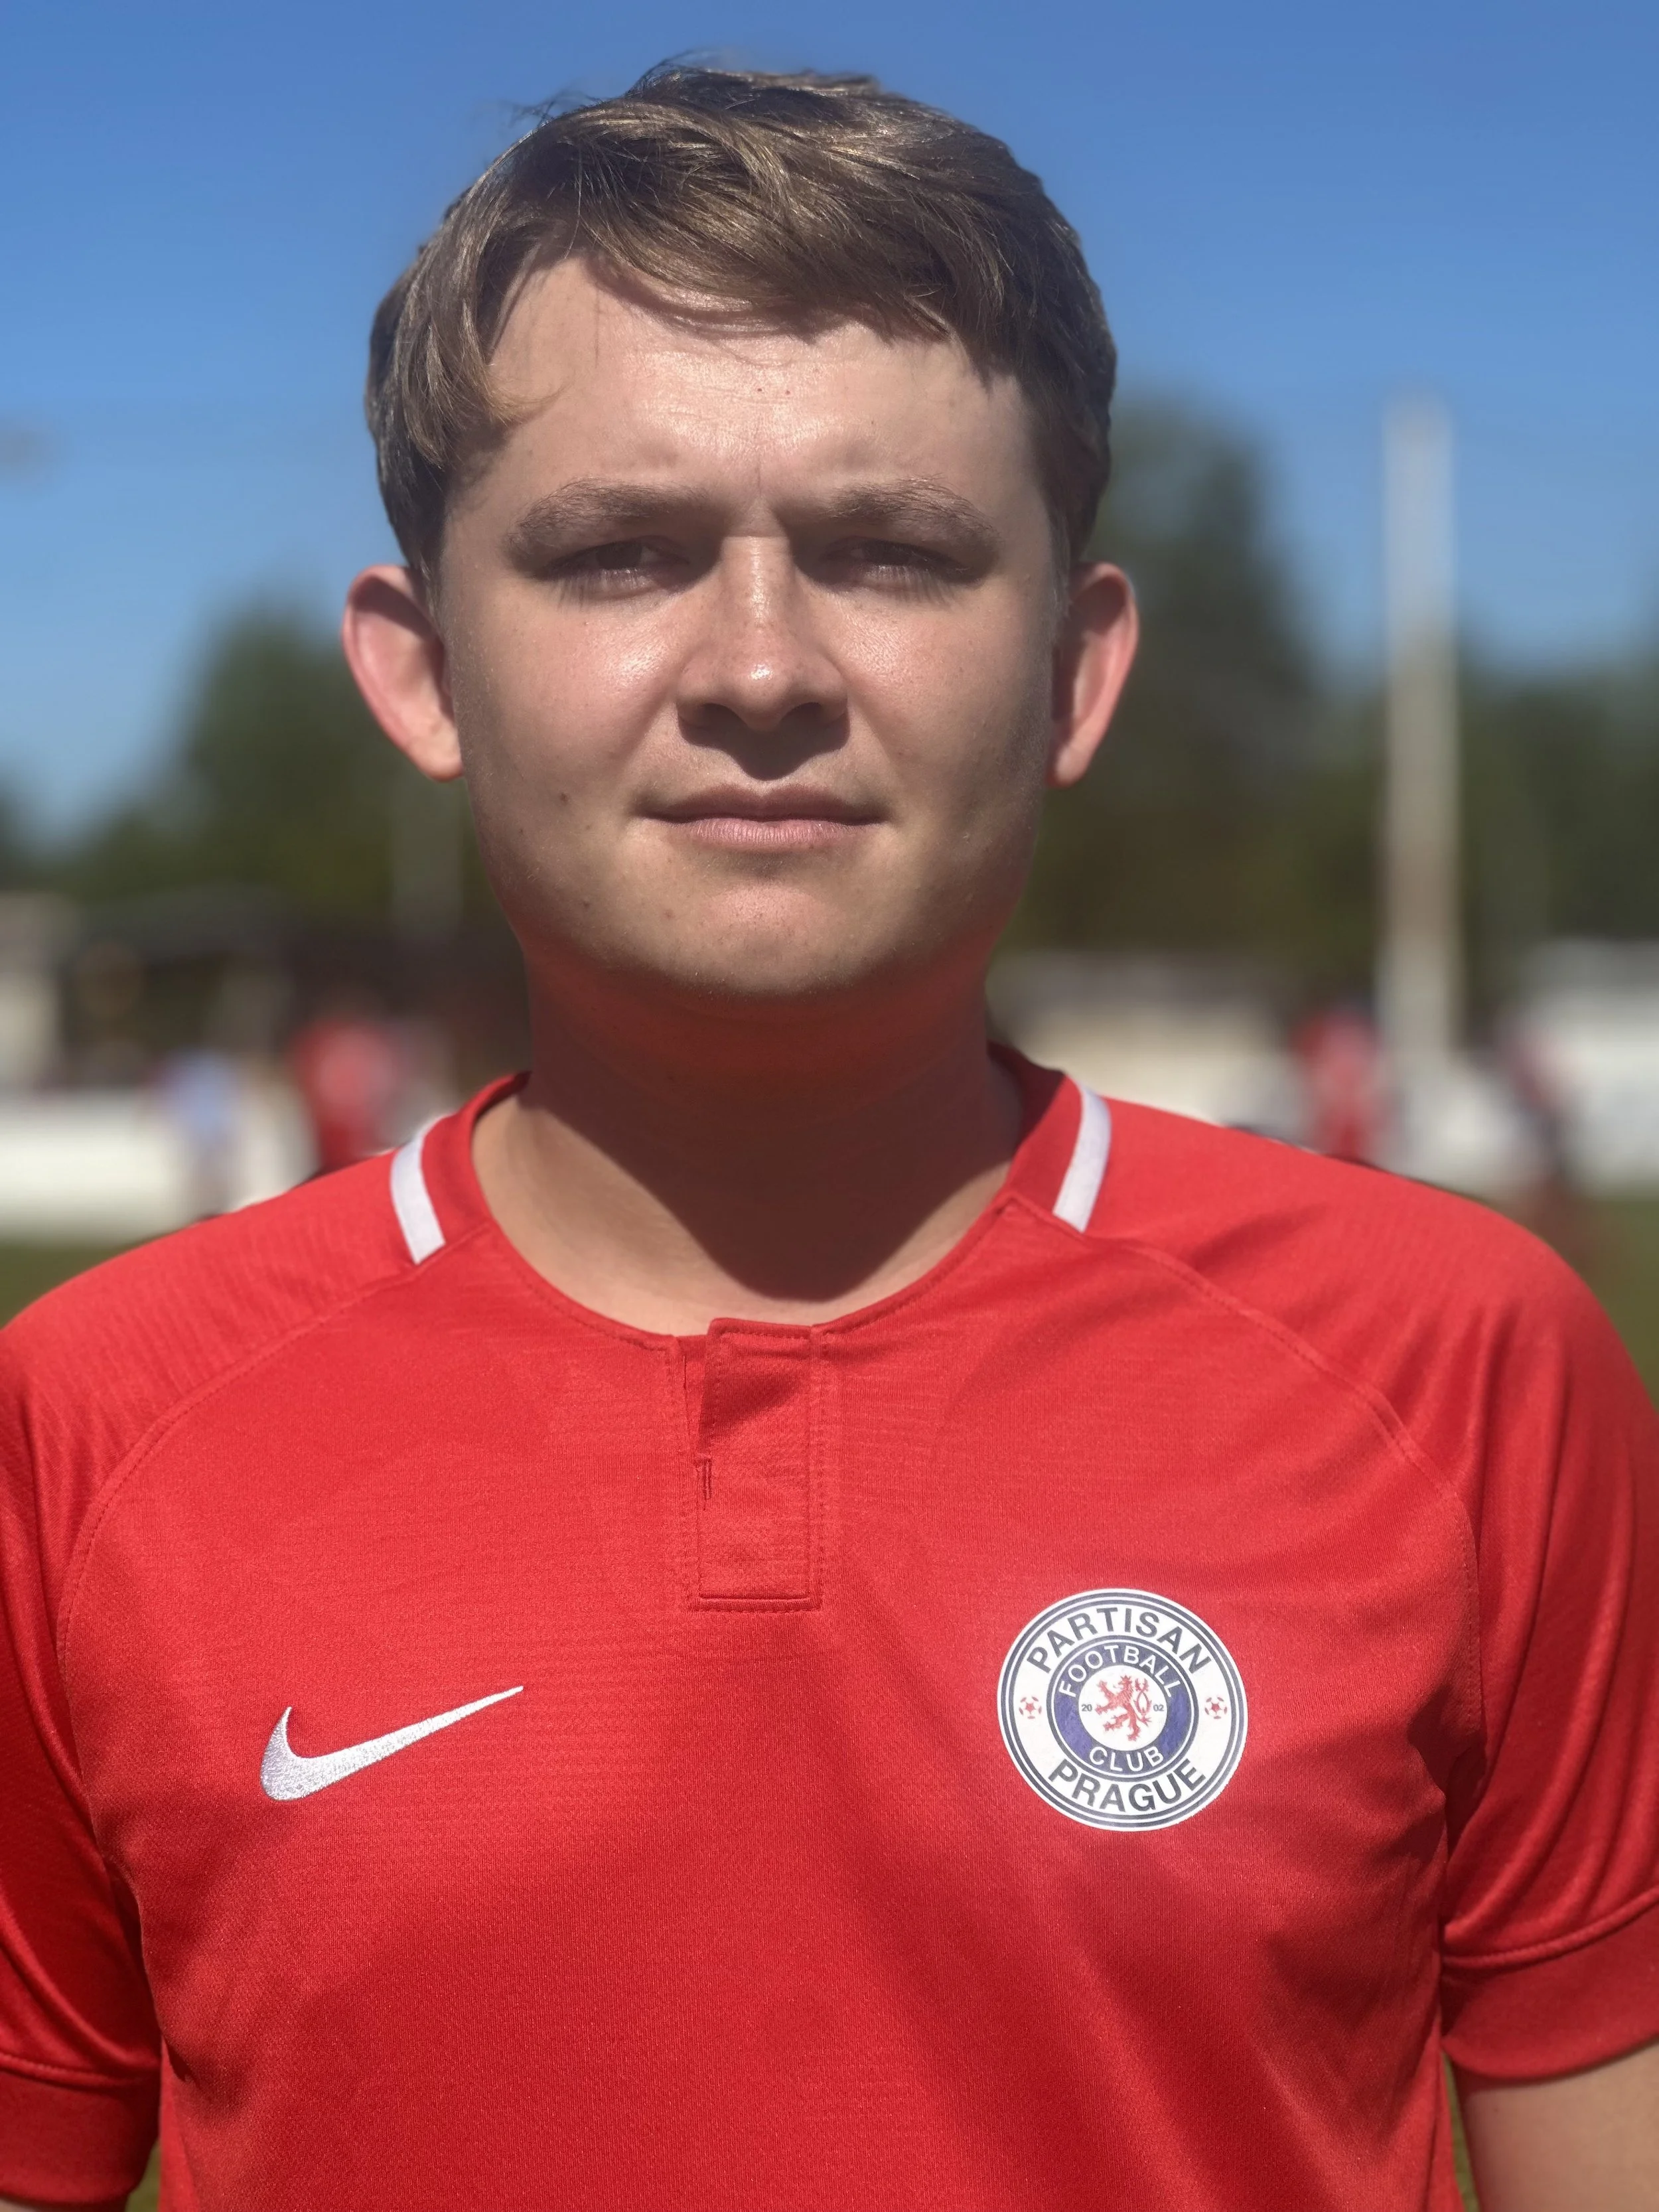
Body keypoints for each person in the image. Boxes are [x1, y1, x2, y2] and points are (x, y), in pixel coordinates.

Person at [1, 66, 1654, 2212]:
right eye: (618, 553)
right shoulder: (91, 1421)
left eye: (890, 553)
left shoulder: (1463, 1368)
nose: (761, 667)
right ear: (419, 675)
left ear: (1072, 667)